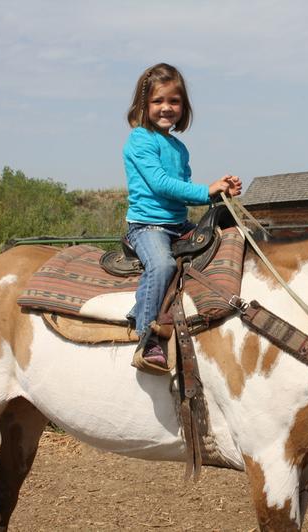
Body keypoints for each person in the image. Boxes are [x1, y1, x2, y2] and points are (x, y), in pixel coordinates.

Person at [123, 63, 242, 369]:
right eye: (158, 101)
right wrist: (207, 190)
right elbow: (161, 184)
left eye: (174, 101)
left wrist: (219, 192)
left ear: (183, 106)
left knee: (227, 239)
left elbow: (184, 188)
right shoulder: (140, 139)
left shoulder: (179, 147)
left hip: (178, 224)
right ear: (144, 105)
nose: (166, 108)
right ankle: (146, 336)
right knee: (162, 265)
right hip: (148, 226)